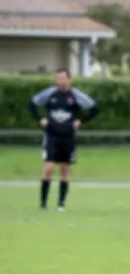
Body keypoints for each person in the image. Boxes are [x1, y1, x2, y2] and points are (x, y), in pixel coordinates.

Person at [28, 69, 99, 211]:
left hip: (68, 136)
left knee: (65, 170)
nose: (60, 81)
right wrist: (40, 119)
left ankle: (61, 204)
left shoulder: (76, 95)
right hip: (52, 135)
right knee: (48, 168)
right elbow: (31, 105)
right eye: (58, 78)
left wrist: (81, 121)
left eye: (63, 78)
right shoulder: (50, 93)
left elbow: (94, 109)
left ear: (69, 79)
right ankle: (43, 204)